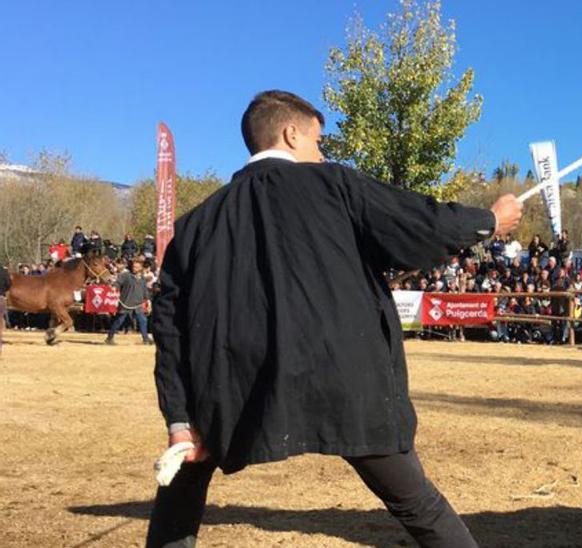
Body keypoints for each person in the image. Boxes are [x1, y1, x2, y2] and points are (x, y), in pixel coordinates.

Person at [146, 90, 523, 548]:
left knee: (180, 499)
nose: (322, 154)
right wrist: (490, 220)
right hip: (343, 381)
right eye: (318, 142)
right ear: (290, 134)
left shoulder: (193, 226)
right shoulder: (336, 184)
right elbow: (422, 222)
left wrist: (180, 420)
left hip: (229, 388)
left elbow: (170, 331)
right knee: (417, 502)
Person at [106, 259, 153, 345]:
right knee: (119, 321)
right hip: (126, 303)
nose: (134, 268)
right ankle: (109, 338)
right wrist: (114, 288)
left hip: (138, 304)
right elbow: (118, 283)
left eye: (137, 267)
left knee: (142, 320)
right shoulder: (126, 275)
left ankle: (145, 339)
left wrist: (148, 300)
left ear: (141, 268)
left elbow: (145, 290)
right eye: (134, 266)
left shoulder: (142, 278)